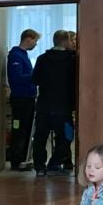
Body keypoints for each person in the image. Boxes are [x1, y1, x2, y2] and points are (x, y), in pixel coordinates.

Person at [31, 30, 77, 176]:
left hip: (44, 105)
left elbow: (34, 80)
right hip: (63, 106)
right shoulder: (72, 60)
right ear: (66, 41)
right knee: (66, 136)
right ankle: (54, 163)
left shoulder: (42, 58)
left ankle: (39, 167)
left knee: (40, 137)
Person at [6, 29, 40, 171]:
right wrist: (35, 76)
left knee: (26, 130)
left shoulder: (23, 55)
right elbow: (17, 77)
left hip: (28, 98)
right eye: (35, 41)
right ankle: (17, 160)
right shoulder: (16, 55)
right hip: (21, 99)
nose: (35, 44)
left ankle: (23, 159)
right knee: (19, 130)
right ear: (28, 39)